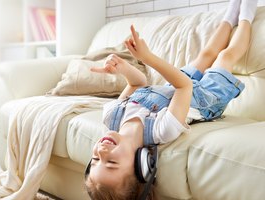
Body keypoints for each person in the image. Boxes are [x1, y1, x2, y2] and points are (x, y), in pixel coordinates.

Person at [84, 0, 258, 199]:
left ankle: (231, 13)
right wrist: (147, 58)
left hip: (173, 86)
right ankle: (246, 15)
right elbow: (185, 87)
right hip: (205, 98)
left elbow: (137, 84)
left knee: (205, 54)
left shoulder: (112, 117)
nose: (103, 152)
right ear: (140, 164)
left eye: (95, 159)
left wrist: (122, 69)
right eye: (112, 163)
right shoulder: (162, 131)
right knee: (225, 56)